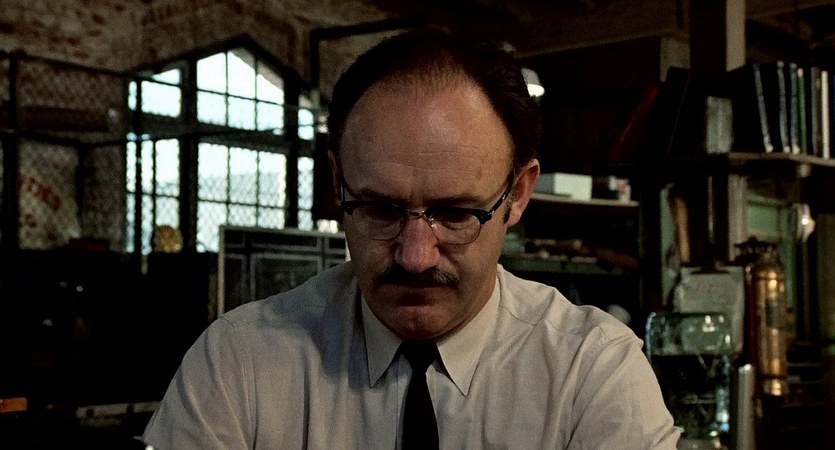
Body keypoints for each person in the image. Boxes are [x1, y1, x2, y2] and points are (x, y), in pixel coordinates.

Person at [143, 28, 679, 449]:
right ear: (339, 183)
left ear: (517, 194)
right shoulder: (240, 364)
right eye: (380, 209)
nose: (416, 256)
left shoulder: (592, 373)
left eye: (456, 213)